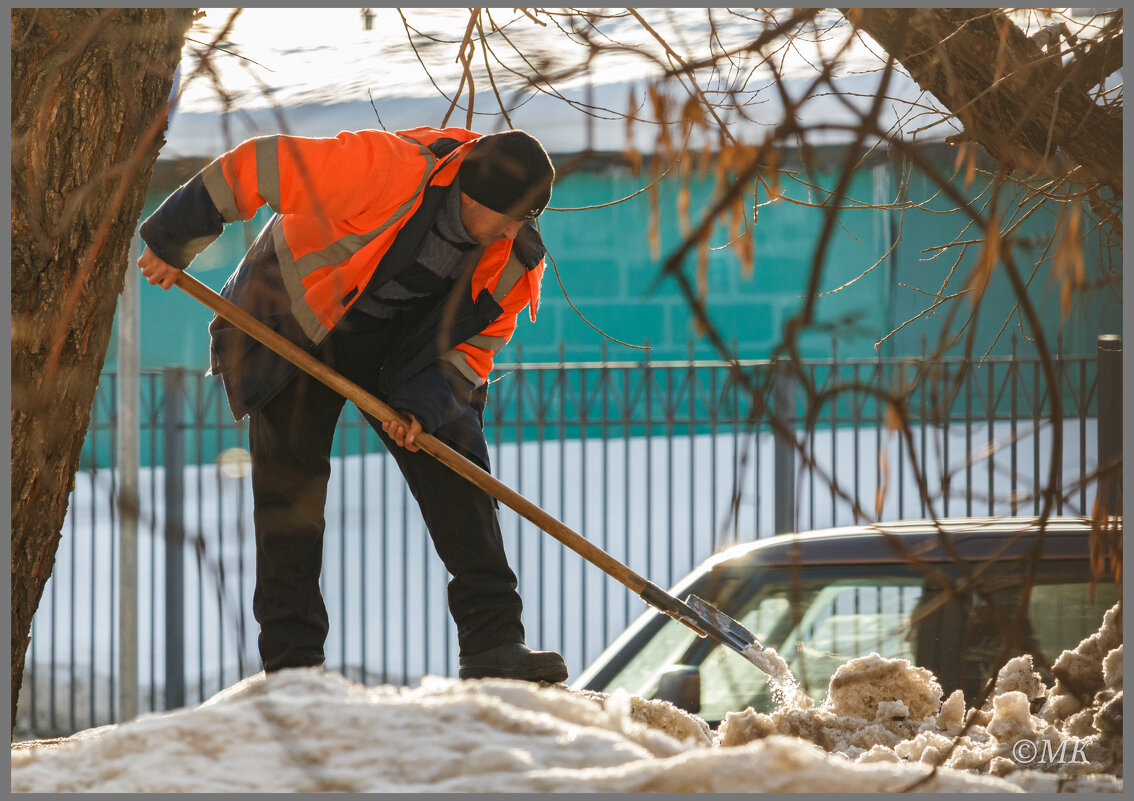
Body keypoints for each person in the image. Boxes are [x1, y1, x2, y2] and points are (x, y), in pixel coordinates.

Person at [137, 126, 568, 683]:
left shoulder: (514, 259)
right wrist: (172, 241)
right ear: (471, 195)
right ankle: (294, 668)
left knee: (460, 473)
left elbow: (471, 353)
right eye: (510, 217)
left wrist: (422, 409)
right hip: (296, 319)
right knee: (289, 493)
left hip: (401, 350)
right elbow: (259, 165)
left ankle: (495, 646)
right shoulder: (384, 169)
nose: (516, 230)